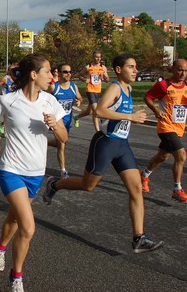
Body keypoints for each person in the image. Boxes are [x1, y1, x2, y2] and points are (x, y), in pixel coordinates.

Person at [42, 53, 164, 254]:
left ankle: (139, 238)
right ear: (118, 69)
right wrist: (130, 116)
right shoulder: (115, 87)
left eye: (135, 67)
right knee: (88, 186)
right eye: (131, 67)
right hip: (105, 143)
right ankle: (54, 184)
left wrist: (129, 118)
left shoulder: (128, 88)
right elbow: (99, 110)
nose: (135, 70)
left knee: (136, 190)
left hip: (122, 146)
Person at [0, 53, 68, 292]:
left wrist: (55, 125)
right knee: (28, 227)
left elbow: (63, 138)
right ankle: (16, 275)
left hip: (35, 173)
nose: (52, 76)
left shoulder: (50, 102)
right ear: (33, 74)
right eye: (48, 71)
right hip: (11, 170)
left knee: (14, 218)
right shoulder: (9, 101)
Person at [140, 59, 187, 202]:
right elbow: (148, 97)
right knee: (181, 156)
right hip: (165, 127)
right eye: (179, 70)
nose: (183, 73)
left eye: (185, 71)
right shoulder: (163, 85)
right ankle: (177, 190)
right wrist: (155, 109)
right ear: (172, 69)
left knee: (162, 156)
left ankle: (144, 175)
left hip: (178, 128)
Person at [47, 63, 82, 179]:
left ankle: (44, 142)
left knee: (63, 141)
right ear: (60, 73)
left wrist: (78, 101)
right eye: (65, 72)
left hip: (68, 120)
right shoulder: (54, 87)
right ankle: (63, 171)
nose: (68, 74)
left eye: (70, 72)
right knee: (62, 145)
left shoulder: (73, 87)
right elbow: (43, 98)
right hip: (57, 120)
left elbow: (80, 97)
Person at [74, 51, 110, 131]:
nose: (98, 59)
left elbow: (107, 79)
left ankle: (77, 116)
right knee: (96, 111)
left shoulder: (103, 67)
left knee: (89, 111)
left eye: (99, 57)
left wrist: (105, 77)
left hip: (98, 90)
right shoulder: (88, 67)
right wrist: (84, 79)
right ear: (93, 57)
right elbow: (80, 75)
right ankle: (98, 131)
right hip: (90, 90)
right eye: (96, 57)